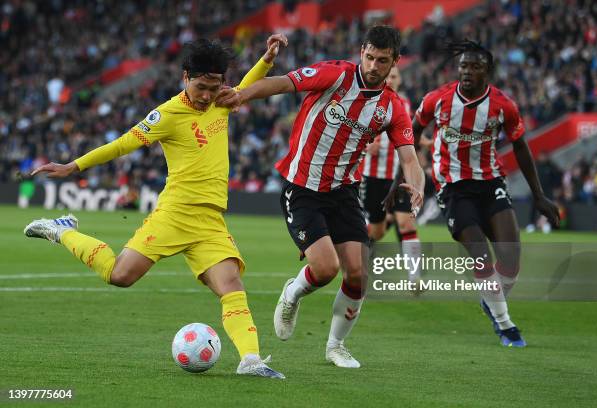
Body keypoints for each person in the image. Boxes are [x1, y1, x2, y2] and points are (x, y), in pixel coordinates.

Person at [23, 35, 288, 378]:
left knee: (231, 285)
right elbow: (122, 145)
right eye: (202, 87)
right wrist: (73, 167)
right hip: (175, 214)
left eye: (215, 86)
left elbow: (247, 86)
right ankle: (61, 231)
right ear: (185, 78)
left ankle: (251, 361)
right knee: (120, 275)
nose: (208, 95)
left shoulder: (222, 101)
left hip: (210, 220)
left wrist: (266, 59)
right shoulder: (165, 114)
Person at [218, 25, 425, 368]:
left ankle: (335, 345)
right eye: (369, 57)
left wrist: (416, 184)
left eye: (382, 60)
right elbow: (282, 83)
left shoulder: (392, 107)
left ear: (395, 61)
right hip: (302, 187)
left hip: (343, 191)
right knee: (326, 268)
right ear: (361, 52)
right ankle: (292, 294)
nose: (373, 66)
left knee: (358, 272)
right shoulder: (335, 75)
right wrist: (242, 95)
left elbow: (409, 158)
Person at [396, 40, 559, 347]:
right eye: (463, 66)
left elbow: (521, 146)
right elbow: (413, 130)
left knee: (511, 258)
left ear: (488, 71)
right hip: (453, 186)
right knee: (481, 256)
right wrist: (404, 172)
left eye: (475, 67)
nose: (467, 72)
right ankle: (505, 325)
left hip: (490, 182)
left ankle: (491, 299)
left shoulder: (503, 106)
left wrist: (539, 195)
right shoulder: (438, 99)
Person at [360, 66, 432, 287]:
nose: (390, 79)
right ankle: (356, 258)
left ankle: (414, 278)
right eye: (388, 75)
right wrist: (365, 146)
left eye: (394, 76)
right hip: (372, 177)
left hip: (398, 176)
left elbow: (410, 137)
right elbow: (350, 133)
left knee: (406, 223)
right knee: (377, 231)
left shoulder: (405, 105)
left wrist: (427, 143)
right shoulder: (366, 101)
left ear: (400, 80)